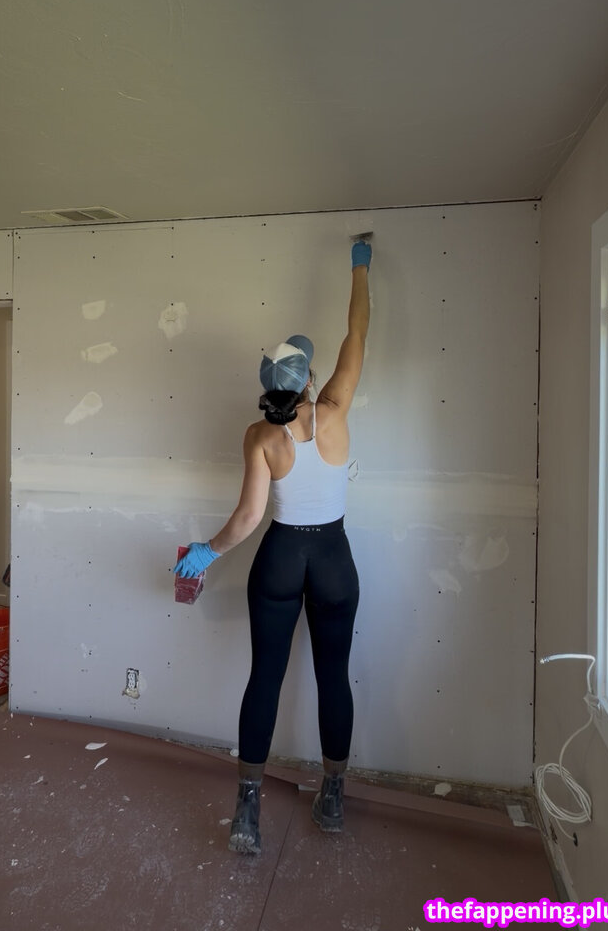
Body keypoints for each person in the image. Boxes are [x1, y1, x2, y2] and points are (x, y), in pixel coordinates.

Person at [174, 236, 372, 854]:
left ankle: (247, 813)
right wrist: (359, 268)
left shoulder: (260, 434)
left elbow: (248, 517)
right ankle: (332, 799)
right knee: (334, 677)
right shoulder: (334, 410)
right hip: (334, 561)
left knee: (265, 676)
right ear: (310, 380)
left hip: (281, 560)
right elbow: (357, 332)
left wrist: (205, 553)